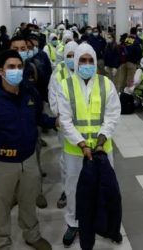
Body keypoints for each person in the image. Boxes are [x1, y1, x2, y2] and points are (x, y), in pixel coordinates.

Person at [0, 50, 57, 250]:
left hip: (28, 161)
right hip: (1, 165)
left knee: (28, 202)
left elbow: (39, 119)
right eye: (11, 67)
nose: (16, 71)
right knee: (1, 206)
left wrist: (55, 122)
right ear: (0, 70)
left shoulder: (29, 92)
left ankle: (32, 235)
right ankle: (2, 243)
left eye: (19, 67)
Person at [56, 43, 121, 248]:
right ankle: (74, 223)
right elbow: (65, 120)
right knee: (74, 189)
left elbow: (112, 115)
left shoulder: (106, 84)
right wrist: (82, 144)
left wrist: (100, 142)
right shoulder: (65, 85)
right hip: (75, 151)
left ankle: (104, 224)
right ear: (75, 62)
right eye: (82, 60)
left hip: (102, 150)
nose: (86, 64)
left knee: (104, 189)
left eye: (90, 60)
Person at [48, 41, 78, 209]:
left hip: (83, 127)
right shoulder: (58, 73)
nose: (73, 59)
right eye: (69, 56)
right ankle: (66, 191)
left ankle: (81, 191)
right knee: (66, 160)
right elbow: (53, 99)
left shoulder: (86, 70)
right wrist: (63, 118)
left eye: (75, 56)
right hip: (65, 126)